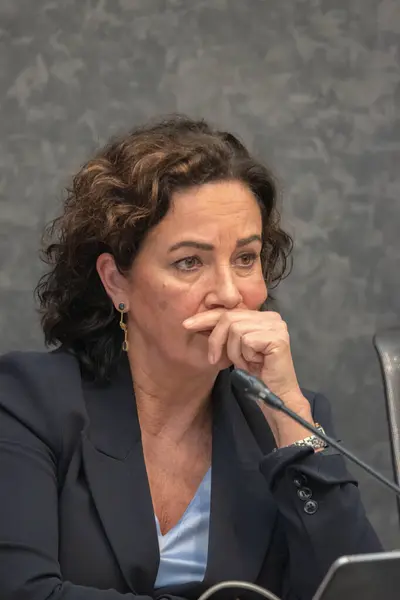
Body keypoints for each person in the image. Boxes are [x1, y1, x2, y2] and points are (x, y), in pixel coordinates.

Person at [0, 116, 381, 600]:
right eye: (189, 263)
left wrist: (288, 410)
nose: (228, 293)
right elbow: (21, 592)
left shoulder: (286, 421)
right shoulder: (28, 401)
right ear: (117, 281)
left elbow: (362, 592)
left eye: (246, 258)